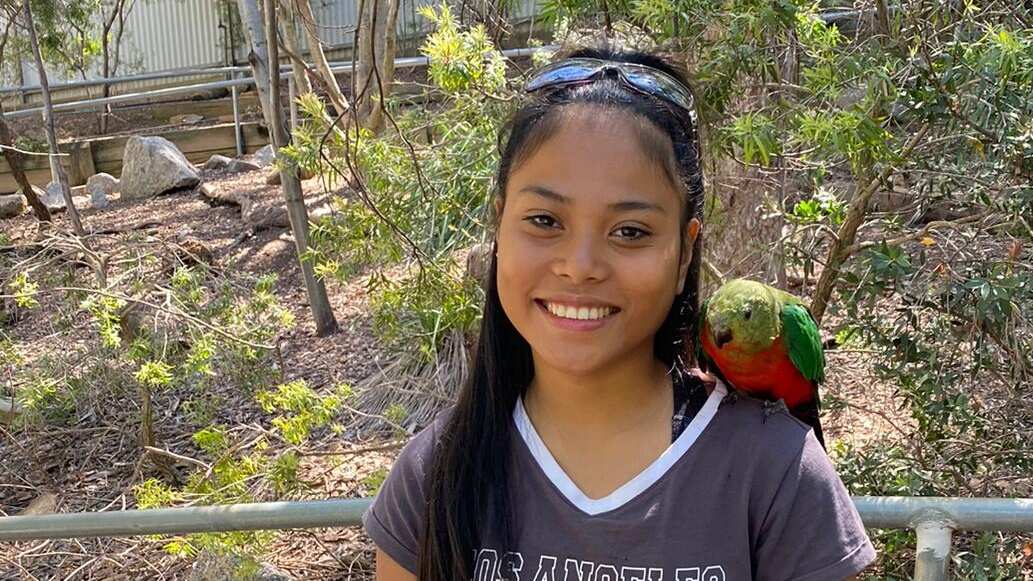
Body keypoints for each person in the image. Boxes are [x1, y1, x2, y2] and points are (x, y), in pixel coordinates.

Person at [363, 46, 876, 581]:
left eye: (630, 231)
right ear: (499, 231)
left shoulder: (779, 475)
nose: (580, 267)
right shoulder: (434, 473)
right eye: (543, 220)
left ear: (684, 254)